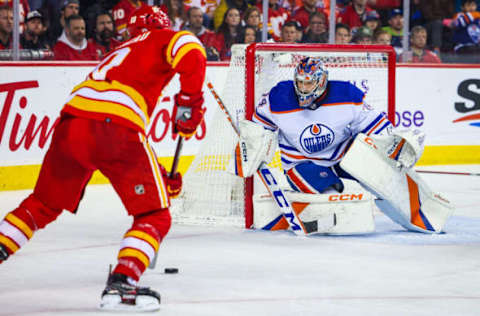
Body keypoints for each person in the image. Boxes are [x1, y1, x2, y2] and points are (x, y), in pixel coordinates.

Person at [0, 5, 206, 311]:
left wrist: (159, 177)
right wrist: (189, 103)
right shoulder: (160, 38)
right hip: (116, 127)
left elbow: (116, 132)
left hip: (72, 124)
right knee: (154, 215)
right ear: (161, 25)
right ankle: (123, 282)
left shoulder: (120, 50)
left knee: (42, 205)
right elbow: (191, 48)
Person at [246, 57, 451, 234]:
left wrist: (393, 145)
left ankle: (422, 215)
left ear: (322, 81)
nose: (303, 89)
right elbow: (258, 127)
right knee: (333, 200)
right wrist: (249, 145)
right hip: (301, 163)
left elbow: (376, 127)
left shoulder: (346, 96)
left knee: (383, 174)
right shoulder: (279, 98)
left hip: (343, 156)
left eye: (309, 84)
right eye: (300, 83)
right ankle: (321, 212)